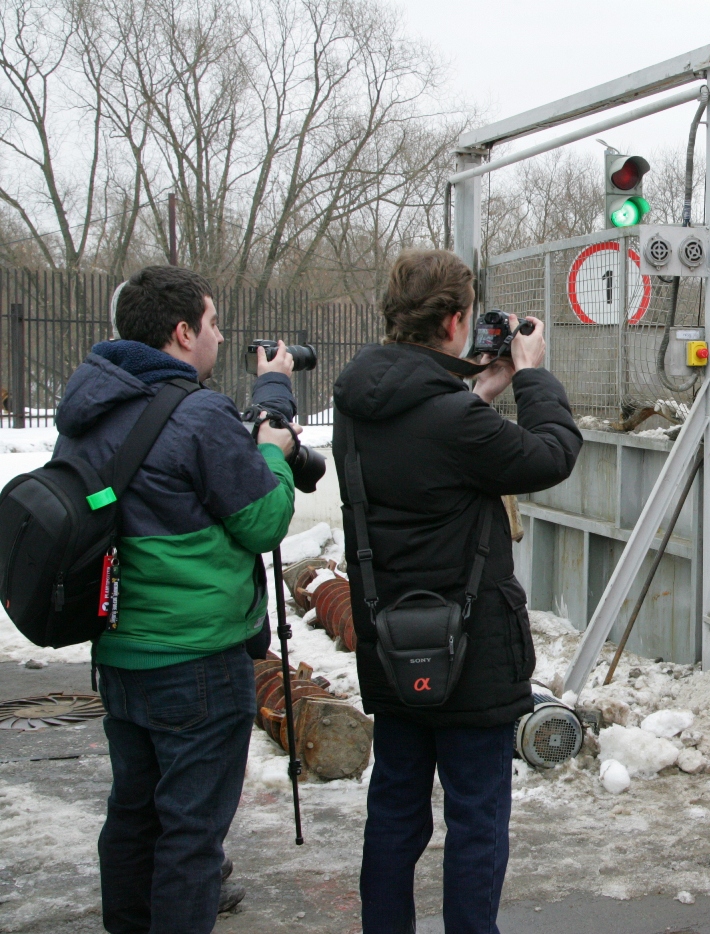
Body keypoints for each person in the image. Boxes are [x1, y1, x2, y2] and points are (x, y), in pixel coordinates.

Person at [332, 250, 581, 934]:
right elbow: (552, 453)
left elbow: (425, 446)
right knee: (475, 818)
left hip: (391, 643)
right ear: (454, 320)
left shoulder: (357, 402)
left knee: (395, 812)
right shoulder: (455, 423)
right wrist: (532, 375)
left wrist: (480, 390)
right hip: (471, 654)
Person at [53, 265, 300, 934]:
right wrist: (274, 453)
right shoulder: (198, 413)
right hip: (196, 657)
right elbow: (262, 521)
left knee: (133, 815)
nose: (220, 337)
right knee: (191, 835)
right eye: (213, 323)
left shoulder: (85, 410)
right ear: (183, 332)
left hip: (121, 650)